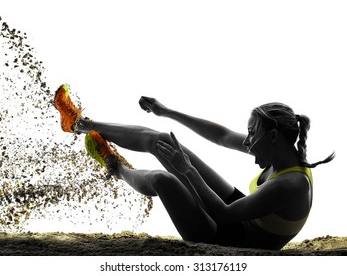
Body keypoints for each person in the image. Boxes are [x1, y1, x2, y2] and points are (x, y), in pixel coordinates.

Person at [54, 84, 334, 250]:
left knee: (165, 180)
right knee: (164, 141)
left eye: (252, 133)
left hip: (230, 237)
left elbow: (223, 216)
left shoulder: (292, 184)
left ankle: (113, 164)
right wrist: (167, 112)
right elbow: (222, 136)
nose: (247, 141)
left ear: (273, 137)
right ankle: (80, 125)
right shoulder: (280, 152)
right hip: (241, 213)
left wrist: (187, 171)